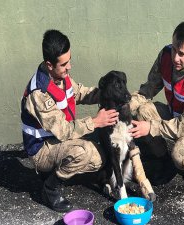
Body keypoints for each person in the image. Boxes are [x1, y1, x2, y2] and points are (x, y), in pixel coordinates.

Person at [20, 30, 119, 212]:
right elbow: (64, 131)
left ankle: (58, 171)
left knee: (99, 158)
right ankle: (50, 188)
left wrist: (106, 93)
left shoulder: (60, 77)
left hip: (55, 141)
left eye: (69, 60)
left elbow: (79, 92)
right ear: (49, 65)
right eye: (64, 64)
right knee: (83, 152)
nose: (69, 67)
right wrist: (95, 122)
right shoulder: (39, 93)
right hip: (41, 150)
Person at [129, 22, 184, 184]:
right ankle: (163, 159)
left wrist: (150, 127)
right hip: (174, 114)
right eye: (174, 49)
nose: (175, 57)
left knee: (181, 158)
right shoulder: (165, 56)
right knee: (143, 111)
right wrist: (124, 108)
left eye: (182, 53)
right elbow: (147, 90)